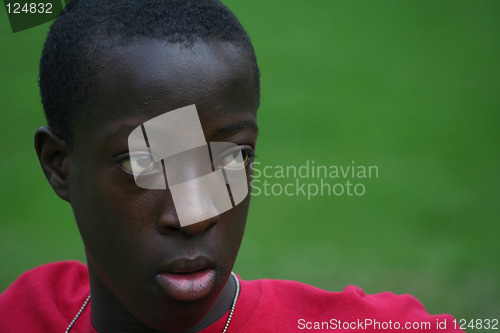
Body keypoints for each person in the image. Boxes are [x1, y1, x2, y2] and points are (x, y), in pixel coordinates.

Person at [0, 0, 464, 332]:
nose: (196, 213)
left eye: (232, 157)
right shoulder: (23, 315)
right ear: (59, 166)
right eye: (142, 161)